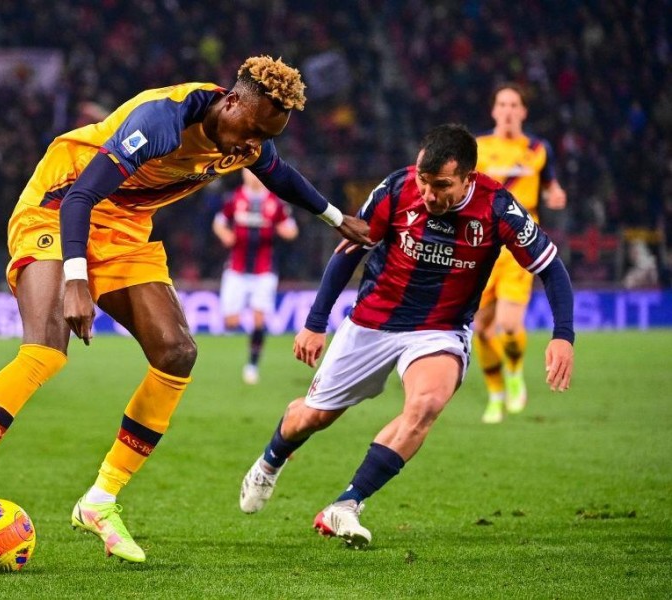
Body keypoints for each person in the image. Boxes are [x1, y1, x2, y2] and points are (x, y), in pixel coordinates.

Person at [0, 55, 371, 563]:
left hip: (127, 229)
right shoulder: (163, 121)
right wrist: (75, 280)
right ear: (232, 101)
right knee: (46, 349)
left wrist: (335, 218)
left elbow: (280, 175)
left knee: (177, 352)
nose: (254, 146)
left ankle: (100, 500)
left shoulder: (246, 139)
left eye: (267, 136)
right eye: (253, 130)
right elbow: (81, 198)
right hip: (60, 203)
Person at [238, 124, 574, 548]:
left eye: (442, 185)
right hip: (371, 324)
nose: (429, 194)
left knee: (426, 404)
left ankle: (346, 504)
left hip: (440, 330)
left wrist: (563, 334)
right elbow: (350, 249)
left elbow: (550, 268)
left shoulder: (498, 208)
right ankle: (270, 461)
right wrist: (316, 320)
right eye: (423, 181)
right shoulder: (396, 189)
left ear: (469, 177)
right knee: (313, 417)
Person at [473, 83, 567, 424]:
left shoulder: (538, 149)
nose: (509, 110)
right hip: (482, 244)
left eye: (515, 104)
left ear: (523, 111)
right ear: (494, 110)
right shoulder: (479, 148)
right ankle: (496, 394)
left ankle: (514, 377)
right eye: (502, 104)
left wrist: (556, 194)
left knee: (509, 325)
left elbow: (550, 184)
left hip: (519, 242)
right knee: (481, 328)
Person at [213, 169, 299, 384]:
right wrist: (225, 234)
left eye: (255, 172)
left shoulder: (274, 202)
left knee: (259, 319)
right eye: (248, 172)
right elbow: (219, 222)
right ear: (243, 174)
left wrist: (282, 229)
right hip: (236, 269)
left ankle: (252, 365)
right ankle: (242, 336)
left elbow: (292, 230)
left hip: (264, 271)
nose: (252, 176)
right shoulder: (234, 199)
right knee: (231, 321)